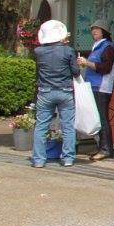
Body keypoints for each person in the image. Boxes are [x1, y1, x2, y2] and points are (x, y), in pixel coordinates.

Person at [31, 19, 80, 168]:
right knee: (68, 126)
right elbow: (76, 72)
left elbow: (38, 72)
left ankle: (39, 160)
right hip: (65, 91)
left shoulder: (38, 52)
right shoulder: (68, 50)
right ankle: (68, 159)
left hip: (45, 91)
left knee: (41, 126)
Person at [80, 19, 114, 160]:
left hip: (102, 87)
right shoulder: (97, 46)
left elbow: (105, 68)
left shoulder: (107, 47)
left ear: (104, 32)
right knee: (98, 118)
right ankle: (102, 147)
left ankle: (106, 149)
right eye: (92, 29)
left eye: (97, 29)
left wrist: (87, 63)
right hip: (94, 85)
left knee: (102, 118)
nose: (94, 31)